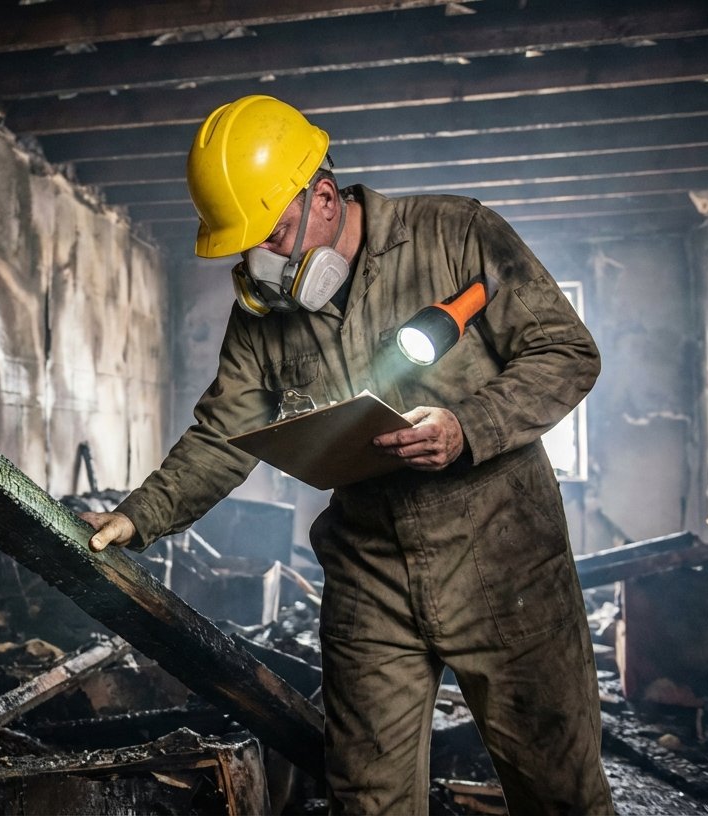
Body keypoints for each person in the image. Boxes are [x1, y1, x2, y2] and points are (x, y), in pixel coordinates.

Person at [81, 95, 614, 815]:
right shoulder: (262, 319)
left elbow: (567, 352)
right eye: (246, 247)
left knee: (559, 791)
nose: (262, 264)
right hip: (369, 573)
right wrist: (137, 516)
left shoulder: (455, 234)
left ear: (325, 198)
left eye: (272, 236)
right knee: (367, 800)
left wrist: (468, 426)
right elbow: (223, 432)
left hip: (505, 561)